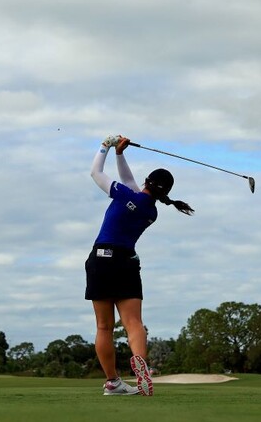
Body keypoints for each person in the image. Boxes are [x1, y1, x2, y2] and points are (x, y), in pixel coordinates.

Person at [86, 134, 194, 396]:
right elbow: (131, 184)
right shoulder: (152, 211)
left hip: (101, 260)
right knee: (134, 323)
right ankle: (140, 362)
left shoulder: (125, 195)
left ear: (147, 181)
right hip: (126, 264)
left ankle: (113, 382)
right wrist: (120, 155)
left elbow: (95, 172)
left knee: (104, 327)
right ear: (164, 192)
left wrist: (105, 146)